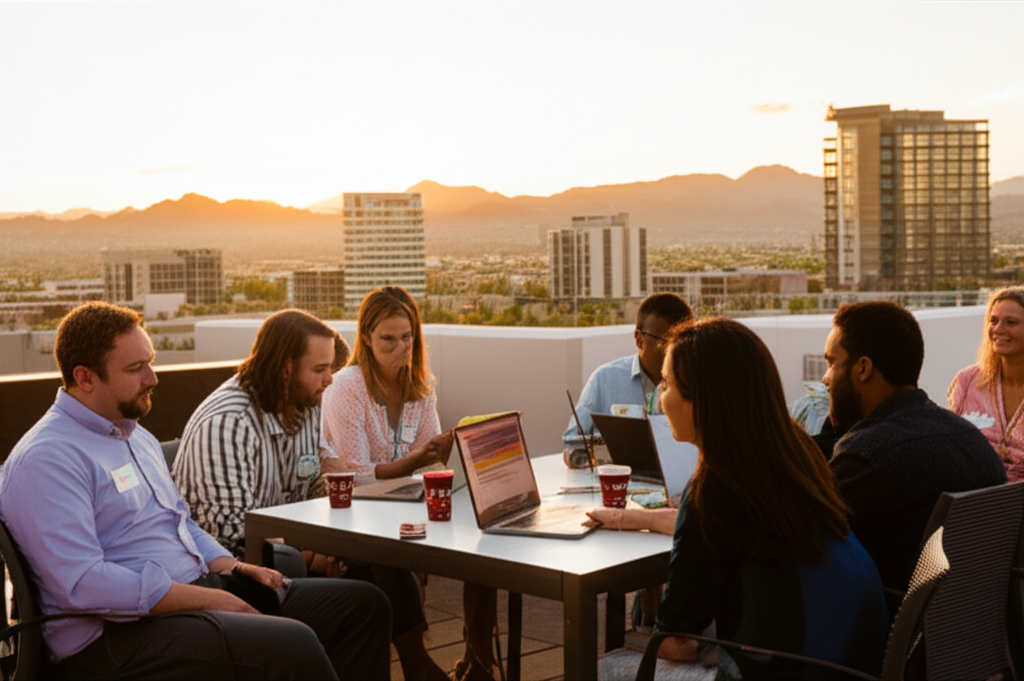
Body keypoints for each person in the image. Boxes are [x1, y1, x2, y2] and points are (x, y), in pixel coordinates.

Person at [0, 302, 390, 680]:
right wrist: (209, 599)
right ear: (85, 377)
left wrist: (230, 566)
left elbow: (179, 522)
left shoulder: (133, 436)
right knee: (292, 644)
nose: (152, 377)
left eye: (150, 362)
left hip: (190, 592)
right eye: (136, 368)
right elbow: (82, 585)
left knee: (362, 606)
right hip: (113, 638)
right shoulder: (48, 459)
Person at [597, 317, 889, 678]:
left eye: (668, 383)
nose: (661, 395)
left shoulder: (717, 485)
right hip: (845, 662)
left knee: (605, 667)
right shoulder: (798, 454)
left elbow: (676, 640)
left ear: (702, 400)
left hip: (784, 669)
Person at [174, 308, 443, 680]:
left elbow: (313, 484)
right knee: (368, 603)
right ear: (286, 370)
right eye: (320, 369)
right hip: (238, 577)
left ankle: (419, 666)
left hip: (290, 552)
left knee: (384, 557)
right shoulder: (229, 423)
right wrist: (310, 557)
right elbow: (231, 540)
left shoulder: (304, 404)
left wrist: (333, 541)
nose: (330, 380)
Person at [320, 286, 496, 681]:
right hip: (351, 510)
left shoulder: (422, 384)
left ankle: (479, 658)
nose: (400, 348)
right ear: (365, 337)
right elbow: (359, 475)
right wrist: (418, 459)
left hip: (404, 502)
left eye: (407, 337)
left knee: (485, 538)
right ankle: (418, 663)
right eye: (388, 339)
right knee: (388, 549)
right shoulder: (346, 387)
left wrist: (438, 454)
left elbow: (430, 463)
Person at [824, 301, 1006, 596]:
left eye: (832, 363)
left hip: (880, 631)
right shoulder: (968, 436)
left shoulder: (867, 457)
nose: (826, 378)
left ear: (863, 368)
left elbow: (797, 547)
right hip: (964, 633)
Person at [562, 292, 693, 445]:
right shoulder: (605, 380)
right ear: (639, 339)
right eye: (666, 342)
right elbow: (572, 442)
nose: (676, 351)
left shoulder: (701, 384)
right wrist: (613, 446)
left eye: (684, 342)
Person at [948, 286, 1024, 481]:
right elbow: (950, 447)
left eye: (1011, 322)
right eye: (993, 321)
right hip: (976, 499)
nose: (998, 329)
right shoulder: (967, 382)